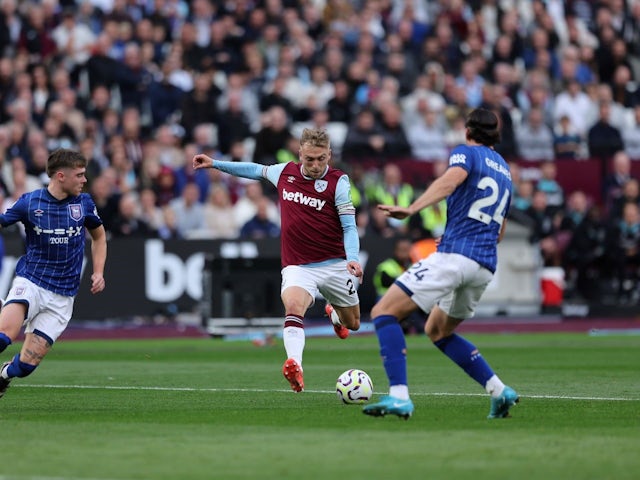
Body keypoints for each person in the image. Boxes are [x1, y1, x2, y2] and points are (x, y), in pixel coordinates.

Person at [362, 108, 518, 420]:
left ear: (467, 131)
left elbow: (450, 180)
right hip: (484, 265)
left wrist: (412, 208)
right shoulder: (505, 171)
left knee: (383, 312)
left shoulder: (466, 154)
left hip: (456, 258)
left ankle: (399, 395)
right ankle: (499, 390)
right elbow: (499, 230)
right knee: (437, 330)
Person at [193, 128, 363, 393]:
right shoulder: (285, 172)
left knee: (353, 323)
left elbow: (350, 227)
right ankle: (295, 364)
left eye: (321, 159)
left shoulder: (338, 182)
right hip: (298, 266)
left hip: (334, 264)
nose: (316, 165)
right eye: (310, 159)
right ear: (300, 155)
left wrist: (352, 258)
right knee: (294, 307)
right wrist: (215, 164)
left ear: (329, 154)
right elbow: (253, 170)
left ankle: (335, 316)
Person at [0, 148, 107, 398]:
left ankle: (3, 375)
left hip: (62, 297)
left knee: (25, 367)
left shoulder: (84, 204)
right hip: (32, 281)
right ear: (61, 176)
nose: (84, 180)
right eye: (79, 175)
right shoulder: (30, 202)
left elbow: (99, 238)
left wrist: (98, 272)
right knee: (3, 338)